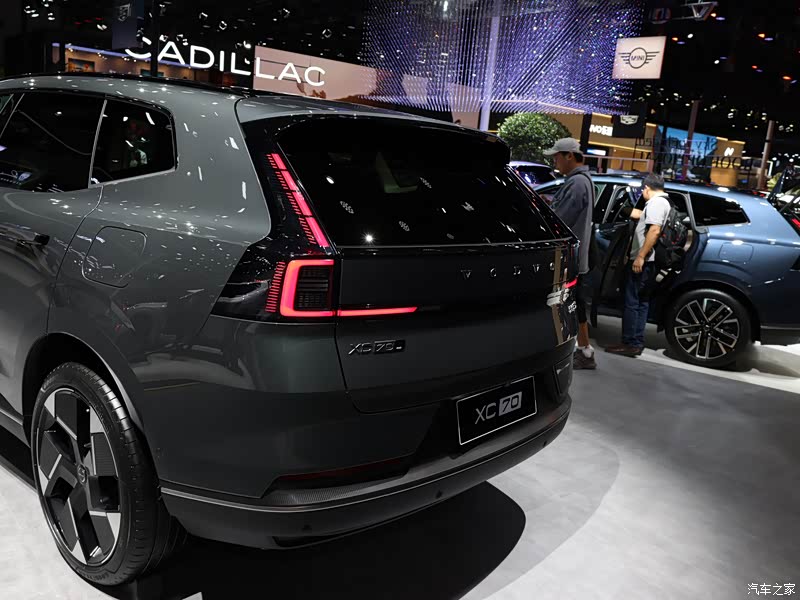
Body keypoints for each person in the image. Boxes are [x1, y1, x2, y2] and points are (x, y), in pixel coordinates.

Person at [606, 173, 672, 357]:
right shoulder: (665, 202)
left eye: (643, 190)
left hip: (645, 261)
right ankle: (636, 341)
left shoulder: (656, 203)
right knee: (642, 302)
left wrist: (640, 256)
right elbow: (643, 218)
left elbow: (654, 230)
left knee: (632, 301)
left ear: (647, 189)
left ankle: (629, 343)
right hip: (651, 261)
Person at [544, 138, 596, 370]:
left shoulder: (576, 183)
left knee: (570, 304)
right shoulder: (583, 180)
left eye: (557, 157)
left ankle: (582, 351)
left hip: (568, 256)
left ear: (569, 156)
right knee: (575, 303)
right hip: (576, 255)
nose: (555, 161)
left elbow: (559, 220)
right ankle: (584, 350)